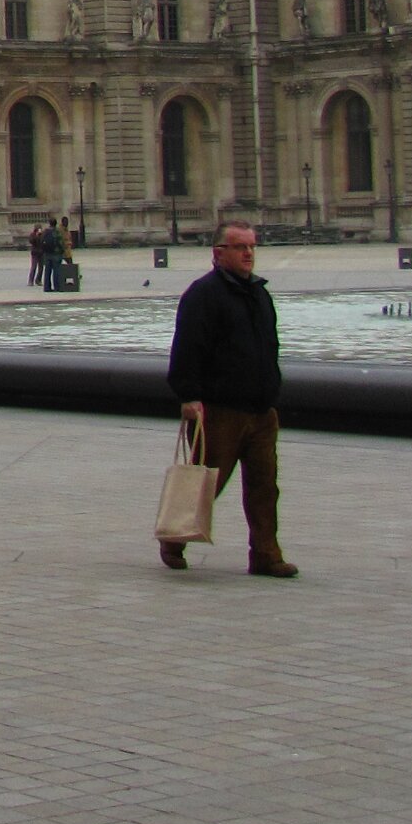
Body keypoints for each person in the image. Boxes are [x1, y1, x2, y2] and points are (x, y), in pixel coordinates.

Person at [162, 222, 297, 577]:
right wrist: (189, 395)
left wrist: (272, 391)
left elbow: (269, 346)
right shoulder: (203, 295)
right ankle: (174, 537)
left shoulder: (259, 293)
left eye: (251, 246)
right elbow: (187, 348)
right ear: (218, 252)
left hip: (261, 409)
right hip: (220, 409)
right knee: (207, 483)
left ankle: (266, 554)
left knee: (265, 487)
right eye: (240, 247)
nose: (248, 253)